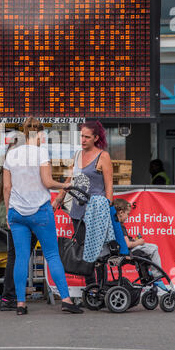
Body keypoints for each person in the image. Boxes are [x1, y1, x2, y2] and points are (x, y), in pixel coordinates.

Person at [3, 117, 84, 315]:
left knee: (21, 258)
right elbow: (47, 182)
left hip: (17, 212)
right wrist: (65, 185)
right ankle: (66, 300)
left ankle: (20, 304)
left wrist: (8, 212)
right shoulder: (41, 153)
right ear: (39, 133)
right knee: (52, 255)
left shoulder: (11, 155)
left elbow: (6, 187)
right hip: (40, 211)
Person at [52, 120, 113, 285]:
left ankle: (102, 286)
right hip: (78, 211)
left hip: (96, 212)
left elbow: (109, 188)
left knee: (98, 252)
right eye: (82, 136)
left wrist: (106, 207)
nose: (83, 139)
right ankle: (91, 287)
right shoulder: (77, 155)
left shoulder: (103, 156)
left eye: (87, 137)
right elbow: (68, 180)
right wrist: (59, 198)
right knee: (82, 249)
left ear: (95, 138)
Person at [0, 133, 37, 311]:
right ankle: (11, 296)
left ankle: (9, 297)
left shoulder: (3, 160)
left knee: (16, 255)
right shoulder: (19, 164)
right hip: (22, 212)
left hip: (8, 213)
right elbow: (11, 188)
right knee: (20, 256)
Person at [113, 198, 168, 291]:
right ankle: (157, 276)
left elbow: (125, 241)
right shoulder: (120, 226)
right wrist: (139, 242)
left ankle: (148, 274)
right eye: (127, 214)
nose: (128, 217)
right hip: (128, 252)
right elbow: (128, 244)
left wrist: (133, 240)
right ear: (121, 212)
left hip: (123, 251)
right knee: (154, 248)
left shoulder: (114, 224)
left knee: (149, 249)